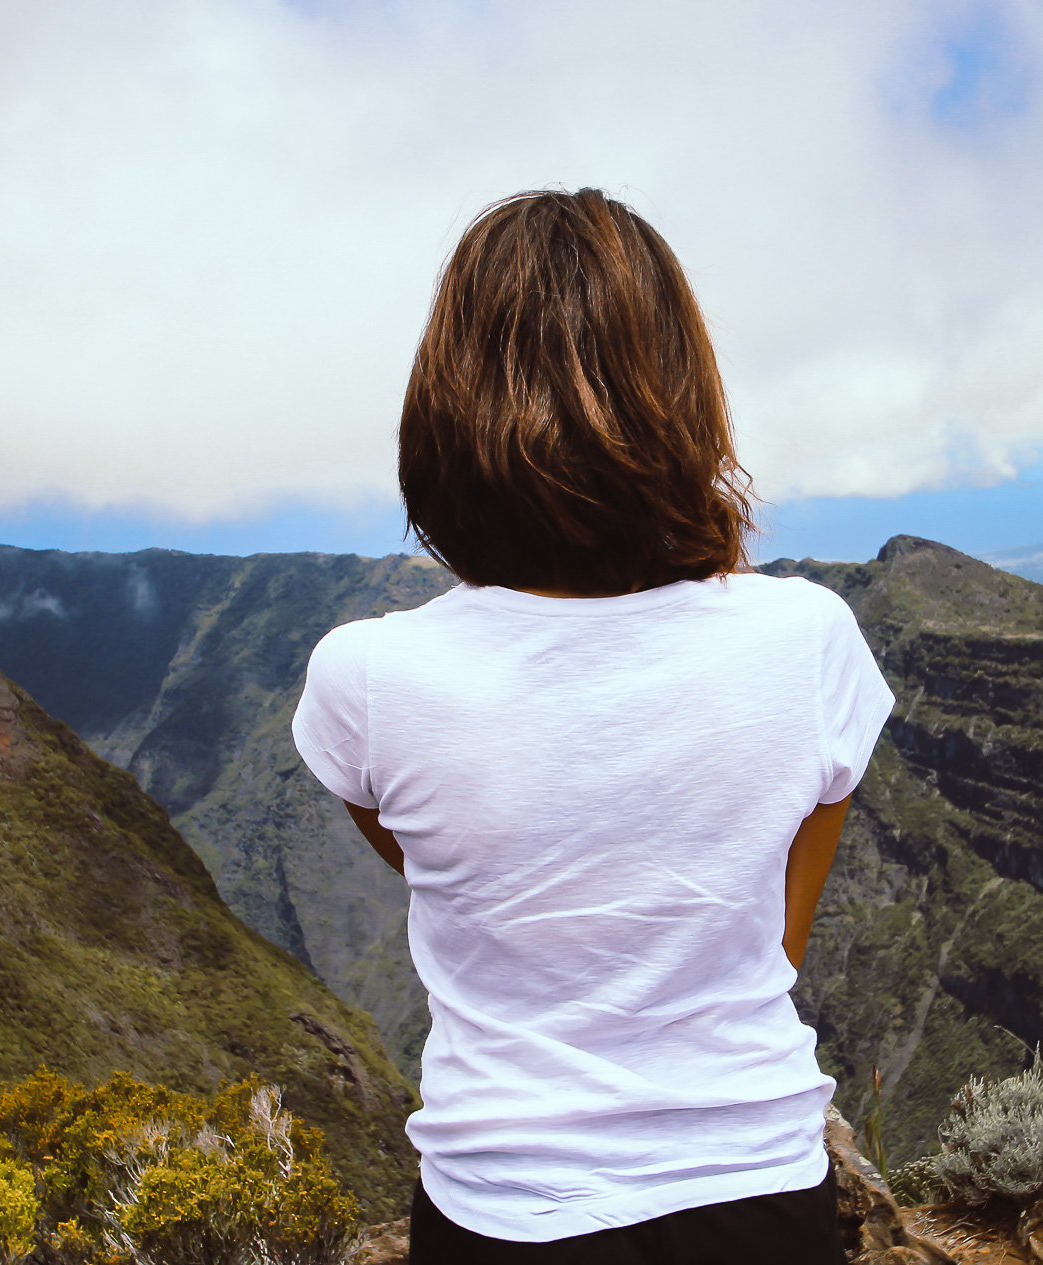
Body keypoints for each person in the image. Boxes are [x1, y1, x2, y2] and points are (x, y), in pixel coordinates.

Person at [291, 188, 894, 1264]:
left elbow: (437, 871)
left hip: (500, 1212)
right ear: (683, 390)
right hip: (757, 1197)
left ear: (447, 403)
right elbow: (774, 938)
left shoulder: (368, 677)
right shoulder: (807, 638)